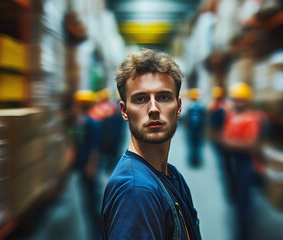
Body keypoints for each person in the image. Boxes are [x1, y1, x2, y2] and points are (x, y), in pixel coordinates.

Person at [101, 49, 202, 240]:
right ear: (124, 111)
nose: (154, 109)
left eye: (164, 97)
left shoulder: (173, 176)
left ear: (179, 106)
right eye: (141, 99)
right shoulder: (136, 192)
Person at [221, 82, 262, 240]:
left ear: (247, 101)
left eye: (241, 100)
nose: (238, 103)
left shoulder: (251, 119)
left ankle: (244, 234)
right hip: (234, 162)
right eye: (235, 100)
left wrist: (229, 143)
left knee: (244, 202)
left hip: (246, 163)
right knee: (236, 198)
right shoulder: (232, 116)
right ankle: (239, 226)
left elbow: (252, 143)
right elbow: (225, 136)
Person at [72, 90, 102, 239]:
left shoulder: (92, 123)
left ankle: (98, 232)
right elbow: (75, 140)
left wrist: (92, 166)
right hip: (82, 166)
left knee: (92, 201)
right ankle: (94, 230)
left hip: (89, 168)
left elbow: (95, 148)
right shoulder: (79, 122)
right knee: (87, 201)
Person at [185, 88, 206, 167]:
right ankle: (197, 160)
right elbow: (204, 119)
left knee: (192, 144)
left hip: (192, 128)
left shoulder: (190, 106)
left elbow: (187, 119)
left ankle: (192, 160)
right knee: (198, 145)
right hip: (199, 129)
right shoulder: (200, 106)